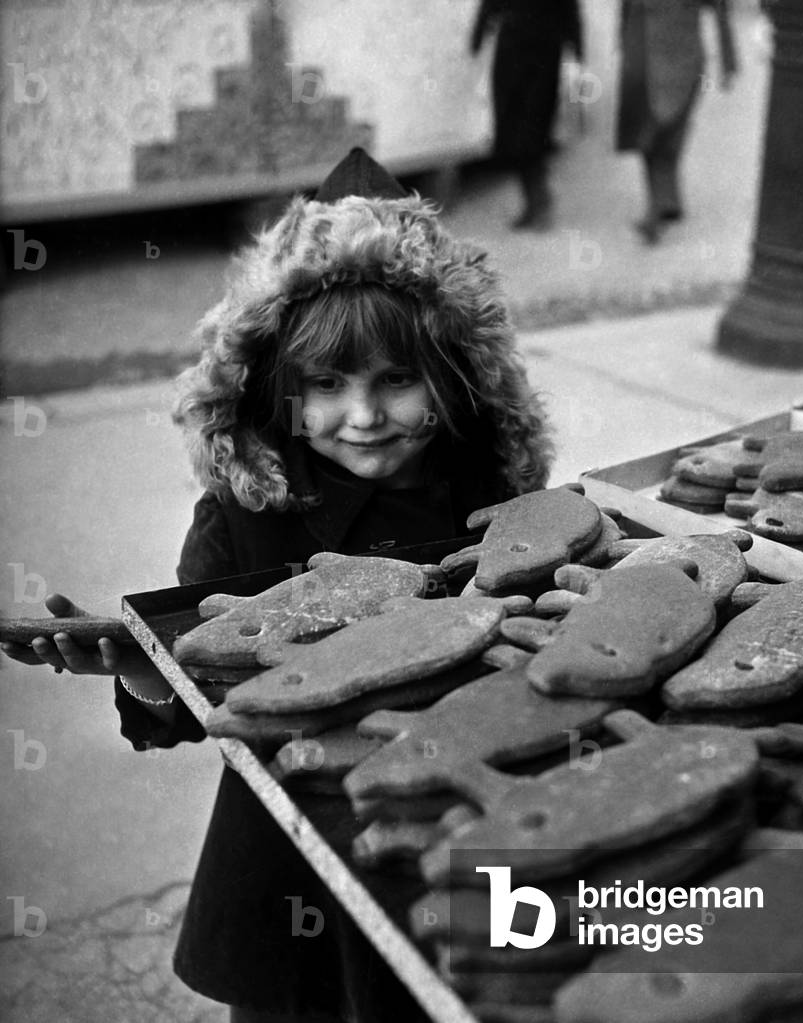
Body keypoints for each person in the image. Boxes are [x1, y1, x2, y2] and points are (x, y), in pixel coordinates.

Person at [1, 147, 554, 1022]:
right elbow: (194, 694)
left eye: (396, 380)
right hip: (289, 867)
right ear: (276, 388)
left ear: (454, 379)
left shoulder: (489, 496)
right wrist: (145, 668)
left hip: (449, 833)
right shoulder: (247, 518)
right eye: (327, 384)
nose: (364, 416)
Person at [616, 0, 739, 244]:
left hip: (684, 60)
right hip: (645, 58)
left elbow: (721, 9)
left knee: (668, 129)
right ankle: (662, 201)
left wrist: (729, 63)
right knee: (649, 129)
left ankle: (662, 202)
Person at [470, 0, 584, 231]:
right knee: (512, 129)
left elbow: (570, 9)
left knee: (535, 128)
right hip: (511, 51)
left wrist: (577, 48)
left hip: (544, 52)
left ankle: (540, 203)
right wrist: (478, 35)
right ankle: (533, 203)